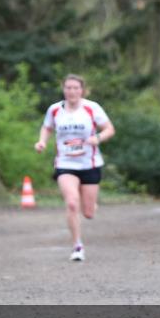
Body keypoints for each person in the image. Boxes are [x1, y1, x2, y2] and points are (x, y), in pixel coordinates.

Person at [35, 75, 115, 261]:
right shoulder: (55, 110)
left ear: (82, 90)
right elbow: (47, 128)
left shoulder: (91, 108)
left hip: (90, 163)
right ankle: (77, 246)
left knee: (88, 213)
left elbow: (109, 129)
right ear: (63, 89)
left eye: (75, 88)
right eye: (68, 88)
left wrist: (98, 138)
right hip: (65, 163)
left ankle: (90, 203)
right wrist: (42, 142)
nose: (72, 91)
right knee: (72, 203)